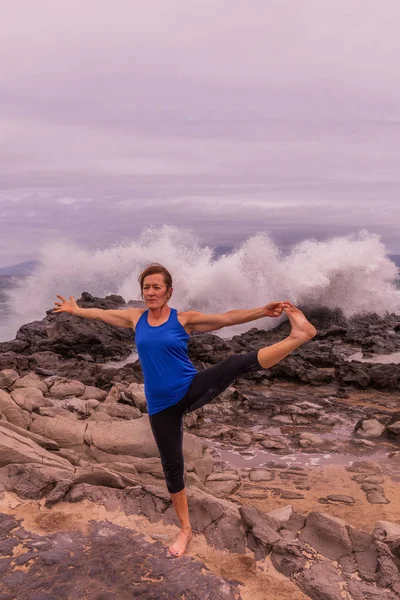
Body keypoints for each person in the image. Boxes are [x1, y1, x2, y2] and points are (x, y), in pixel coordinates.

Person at [54, 263, 316, 557]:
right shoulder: (135, 317)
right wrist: (76, 310)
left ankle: (299, 336)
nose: (150, 292)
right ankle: (185, 529)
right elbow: (102, 314)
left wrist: (261, 311)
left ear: (169, 291)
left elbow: (226, 319)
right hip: (159, 407)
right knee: (172, 468)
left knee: (234, 364)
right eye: (146, 287)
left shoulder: (183, 320)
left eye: (156, 287)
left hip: (189, 388)